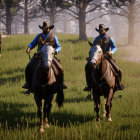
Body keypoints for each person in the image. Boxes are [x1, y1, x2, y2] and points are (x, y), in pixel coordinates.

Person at [22, 21, 67, 94]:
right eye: (44, 28)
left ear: (49, 28)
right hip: (39, 56)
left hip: (50, 56)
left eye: (46, 28)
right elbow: (33, 43)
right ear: (42, 28)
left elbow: (58, 46)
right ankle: (28, 85)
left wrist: (56, 51)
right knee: (28, 67)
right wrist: (29, 48)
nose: (45, 29)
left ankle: (60, 84)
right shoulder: (39, 36)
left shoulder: (53, 36)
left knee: (60, 69)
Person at [84, 24, 125, 91]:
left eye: (102, 30)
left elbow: (114, 47)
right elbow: (93, 47)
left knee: (118, 70)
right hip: (97, 57)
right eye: (99, 30)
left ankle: (118, 85)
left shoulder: (109, 38)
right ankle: (88, 85)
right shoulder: (96, 39)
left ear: (105, 31)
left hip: (107, 57)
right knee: (87, 67)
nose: (101, 31)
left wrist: (111, 52)